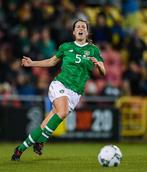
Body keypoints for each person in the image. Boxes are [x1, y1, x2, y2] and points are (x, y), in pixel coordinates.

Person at [11, 19, 106, 161]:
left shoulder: (93, 50)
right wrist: (32, 63)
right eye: (78, 26)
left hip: (76, 93)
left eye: (83, 27)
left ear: (86, 32)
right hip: (60, 84)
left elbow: (103, 71)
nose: (80, 28)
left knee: (44, 124)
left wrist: (98, 65)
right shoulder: (66, 47)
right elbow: (51, 61)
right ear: (74, 32)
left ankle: (20, 150)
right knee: (61, 112)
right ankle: (41, 141)